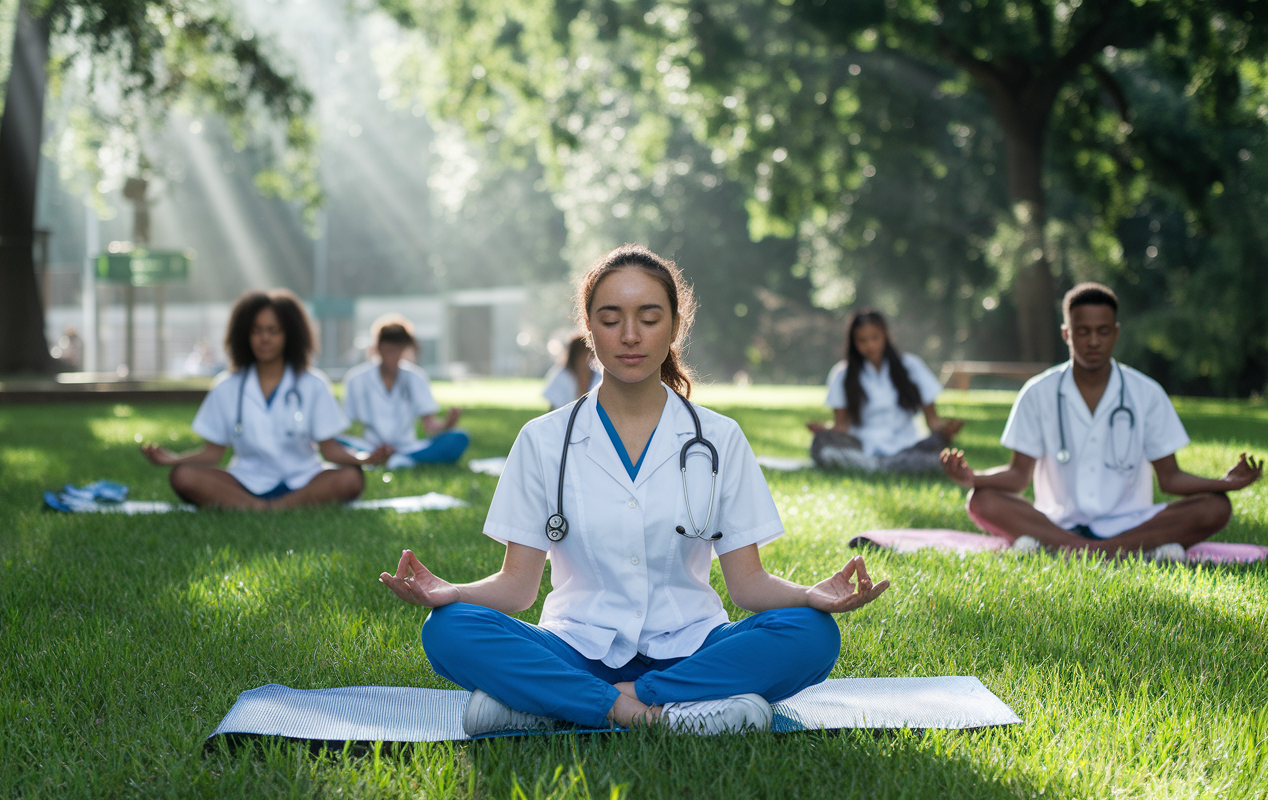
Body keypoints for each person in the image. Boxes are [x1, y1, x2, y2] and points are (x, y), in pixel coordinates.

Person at [379, 244, 889, 737]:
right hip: (575, 644)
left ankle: (564, 703)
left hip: (694, 646)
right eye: (609, 319)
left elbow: (747, 586)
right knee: (449, 629)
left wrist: (809, 596)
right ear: (588, 329)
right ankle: (658, 710)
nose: (630, 335)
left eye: (648, 318)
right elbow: (518, 588)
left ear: (674, 327)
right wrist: (452, 593)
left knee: (812, 635)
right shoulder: (542, 440)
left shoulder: (719, 438)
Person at [941, 282, 1263, 560]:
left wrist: (1224, 484)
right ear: (1066, 333)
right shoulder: (1037, 392)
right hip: (1056, 519)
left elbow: (1170, 479)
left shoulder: (1146, 393)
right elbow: (1017, 477)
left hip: (1131, 520)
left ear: (1116, 333)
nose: (1093, 341)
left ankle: (1068, 550)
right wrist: (973, 477)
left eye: (1102, 331)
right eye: (1082, 332)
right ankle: (1126, 551)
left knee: (1216, 508)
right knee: (981, 500)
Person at [141, 289, 390, 509]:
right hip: (245, 480)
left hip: (304, 479)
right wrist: (172, 460)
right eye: (256, 330)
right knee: (183, 476)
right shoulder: (227, 386)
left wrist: (365, 459)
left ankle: (259, 508)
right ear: (244, 335)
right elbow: (213, 453)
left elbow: (330, 449)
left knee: (351, 478)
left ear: (289, 335)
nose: (264, 338)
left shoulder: (313, 383)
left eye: (273, 331)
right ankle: (268, 507)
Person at [807, 309, 963, 472]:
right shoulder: (842, 374)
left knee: (938, 448)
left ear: (885, 336)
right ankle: (883, 466)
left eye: (875, 338)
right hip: (861, 447)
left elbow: (932, 422)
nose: (870, 345)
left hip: (907, 446)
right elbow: (841, 426)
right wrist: (824, 431)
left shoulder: (911, 366)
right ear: (853, 342)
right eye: (862, 340)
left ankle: (874, 467)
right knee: (821, 443)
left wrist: (946, 430)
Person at [340, 315, 469, 469]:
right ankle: (385, 459)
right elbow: (347, 424)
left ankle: (398, 459)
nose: (392, 356)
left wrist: (447, 424)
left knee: (459, 438)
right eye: (388, 349)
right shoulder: (356, 378)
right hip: (370, 447)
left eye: (397, 350)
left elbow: (429, 425)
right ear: (378, 347)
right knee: (333, 443)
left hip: (408, 447)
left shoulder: (416, 377)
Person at [542, 334, 601, 410]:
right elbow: (554, 408)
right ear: (574, 355)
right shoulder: (562, 376)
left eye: (589, 353)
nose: (586, 358)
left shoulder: (599, 376)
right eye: (582, 354)